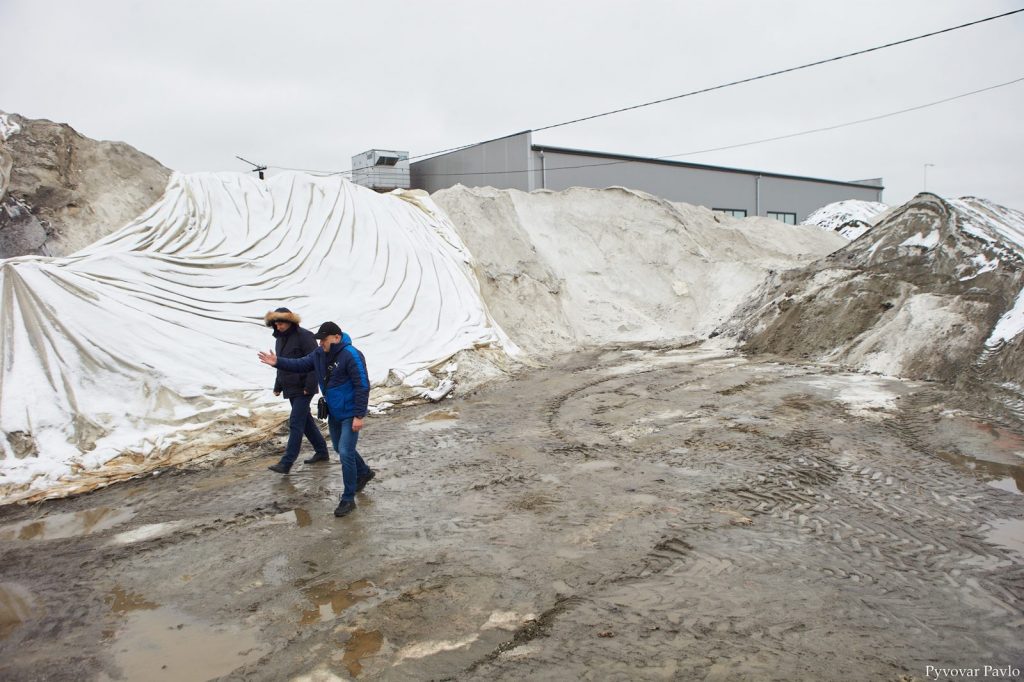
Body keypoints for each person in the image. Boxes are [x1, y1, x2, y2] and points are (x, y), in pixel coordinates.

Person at [258, 321, 375, 517]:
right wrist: (278, 362)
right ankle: (363, 471)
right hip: (334, 412)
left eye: (324, 339)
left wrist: (358, 415)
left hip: (350, 413)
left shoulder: (351, 355)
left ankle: (347, 498)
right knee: (338, 447)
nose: (321, 343)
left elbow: (362, 385)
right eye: (319, 340)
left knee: (345, 451)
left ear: (336, 338)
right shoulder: (320, 354)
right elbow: (300, 363)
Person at [263, 308, 330, 473]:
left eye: (281, 323)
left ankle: (286, 463)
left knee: (295, 422)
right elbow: (280, 364)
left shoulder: (305, 336)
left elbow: (315, 361)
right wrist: (278, 385)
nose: (278, 327)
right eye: (276, 324)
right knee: (305, 422)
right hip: (290, 387)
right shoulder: (279, 339)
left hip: (303, 387)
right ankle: (322, 452)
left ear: (290, 322)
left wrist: (310, 385)